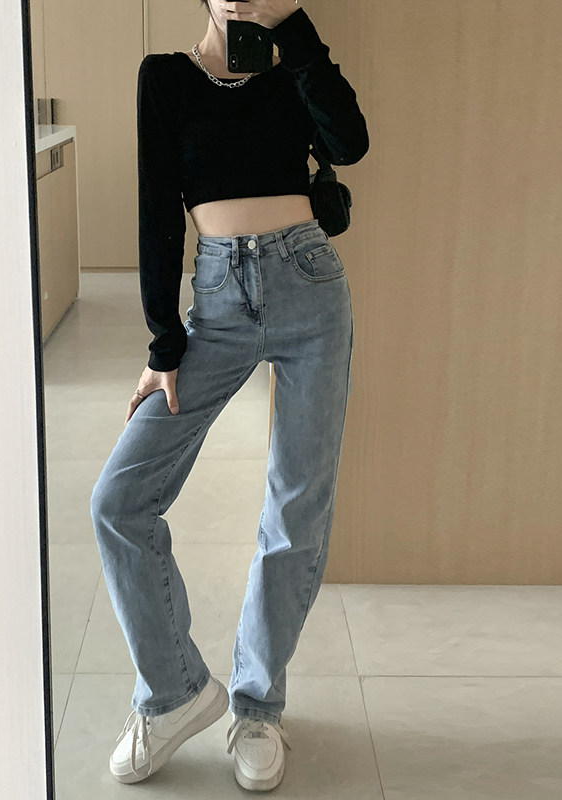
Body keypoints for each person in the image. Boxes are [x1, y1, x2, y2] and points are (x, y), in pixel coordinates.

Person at [90, 0, 369, 790]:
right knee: (118, 501)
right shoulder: (165, 78)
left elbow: (349, 143)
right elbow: (156, 208)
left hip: (311, 289)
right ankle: (176, 692)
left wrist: (294, 27)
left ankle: (258, 707)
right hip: (216, 299)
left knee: (295, 510)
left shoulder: (293, 70)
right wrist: (162, 342)